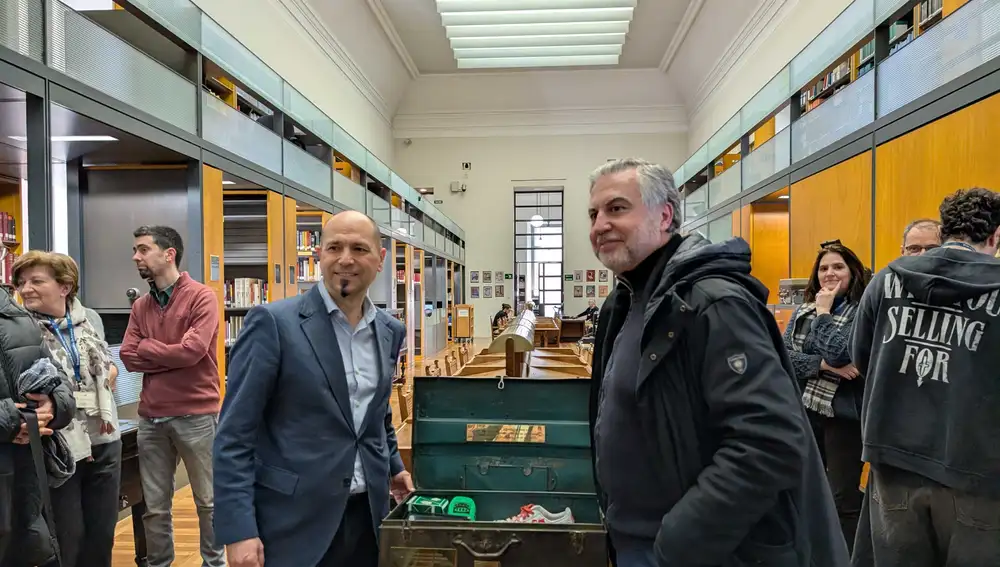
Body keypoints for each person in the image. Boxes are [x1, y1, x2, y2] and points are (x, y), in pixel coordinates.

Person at [586, 158, 846, 567]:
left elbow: (768, 441)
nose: (600, 225)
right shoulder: (624, 303)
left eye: (617, 209)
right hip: (634, 542)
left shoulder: (712, 303)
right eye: (594, 213)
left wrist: (679, 541)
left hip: (697, 551)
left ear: (665, 215)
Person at [214, 210, 413, 567]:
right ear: (319, 255)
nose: (346, 259)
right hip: (294, 522)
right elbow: (233, 435)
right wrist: (239, 530)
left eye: (359, 248)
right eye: (334, 247)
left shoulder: (389, 331)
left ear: (381, 259)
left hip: (368, 515)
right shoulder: (273, 324)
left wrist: (395, 467)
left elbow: (376, 414)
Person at [851, 188, 1000, 566]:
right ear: (996, 236)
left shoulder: (885, 280)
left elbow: (862, 358)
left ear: (944, 228)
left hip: (893, 459)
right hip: (977, 470)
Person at [119, 225, 225, 567]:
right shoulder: (141, 306)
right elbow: (127, 355)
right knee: (153, 504)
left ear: (169, 254)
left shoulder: (201, 297)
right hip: (151, 417)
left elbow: (192, 353)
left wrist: (150, 348)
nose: (136, 256)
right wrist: (167, 354)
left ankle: (214, 562)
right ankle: (159, 563)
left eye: (143, 249)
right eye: (135, 250)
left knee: (208, 500)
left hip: (197, 415)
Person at [13, 251, 120, 567]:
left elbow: (105, 360)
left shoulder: (91, 319)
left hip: (104, 440)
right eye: (21, 282)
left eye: (36, 281)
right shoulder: (21, 329)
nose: (26, 288)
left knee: (102, 537)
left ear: (65, 286)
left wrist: (109, 372)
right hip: (59, 448)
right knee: (67, 539)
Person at [780, 240, 870, 552]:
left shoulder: (864, 309)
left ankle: (847, 556)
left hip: (845, 416)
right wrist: (821, 365)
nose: (829, 273)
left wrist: (823, 312)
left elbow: (840, 350)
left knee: (843, 496)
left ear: (853, 272)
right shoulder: (801, 310)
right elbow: (784, 357)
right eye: (823, 268)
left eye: (837, 267)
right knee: (809, 489)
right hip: (807, 410)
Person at [0, 282, 76, 567]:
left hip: (25, 485)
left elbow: (57, 377)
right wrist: (10, 419)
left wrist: (54, 405)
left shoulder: (18, 316)